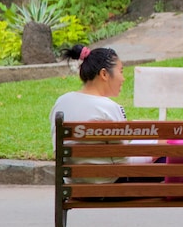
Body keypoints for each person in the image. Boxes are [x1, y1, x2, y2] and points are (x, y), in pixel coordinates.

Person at [49, 45, 156, 184]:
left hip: (74, 186)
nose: (123, 78)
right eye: (120, 71)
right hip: (109, 185)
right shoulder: (109, 108)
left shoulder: (61, 103)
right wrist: (156, 152)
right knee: (165, 155)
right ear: (104, 74)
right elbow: (123, 164)